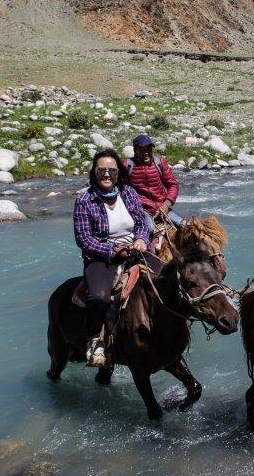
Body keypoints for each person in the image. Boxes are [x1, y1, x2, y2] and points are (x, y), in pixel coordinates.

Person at [73, 148, 153, 366]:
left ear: (119, 173)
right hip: (102, 256)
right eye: (102, 171)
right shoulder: (84, 200)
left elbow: (141, 223)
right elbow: (83, 239)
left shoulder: (128, 193)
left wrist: (142, 240)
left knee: (173, 274)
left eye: (112, 171)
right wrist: (112, 251)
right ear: (94, 173)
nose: (107, 175)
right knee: (98, 297)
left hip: (136, 249)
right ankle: (94, 340)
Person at [125, 134, 183, 232]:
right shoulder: (127, 166)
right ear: (135, 151)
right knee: (150, 229)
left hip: (162, 207)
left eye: (149, 148)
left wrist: (166, 204)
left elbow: (173, 185)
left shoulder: (159, 163)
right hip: (142, 210)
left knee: (184, 225)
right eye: (142, 149)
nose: (147, 152)